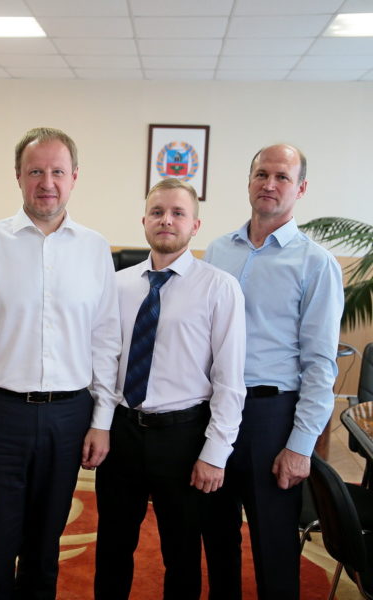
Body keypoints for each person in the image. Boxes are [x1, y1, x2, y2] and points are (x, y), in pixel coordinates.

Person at [0, 127, 121, 599]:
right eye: (35, 171)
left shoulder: (95, 248)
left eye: (58, 171)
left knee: (45, 549)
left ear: (74, 176)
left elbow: (105, 342)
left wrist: (102, 421)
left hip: (68, 417)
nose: (47, 182)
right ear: (18, 177)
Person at [202, 144, 344, 600]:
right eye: (262, 174)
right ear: (249, 182)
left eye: (282, 176)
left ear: (300, 189)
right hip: (214, 412)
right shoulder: (218, 250)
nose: (269, 184)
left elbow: (320, 364)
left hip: (271, 417)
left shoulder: (316, 263)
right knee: (216, 537)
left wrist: (301, 446)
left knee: (274, 546)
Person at [94, 178, 246, 600]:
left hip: (183, 436)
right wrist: (98, 424)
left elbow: (230, 381)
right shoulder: (118, 284)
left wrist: (215, 453)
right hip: (122, 432)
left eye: (178, 213)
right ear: (144, 221)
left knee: (181, 553)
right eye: (157, 212)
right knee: (112, 547)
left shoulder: (219, 288)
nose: (166, 220)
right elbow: (103, 361)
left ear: (195, 225)